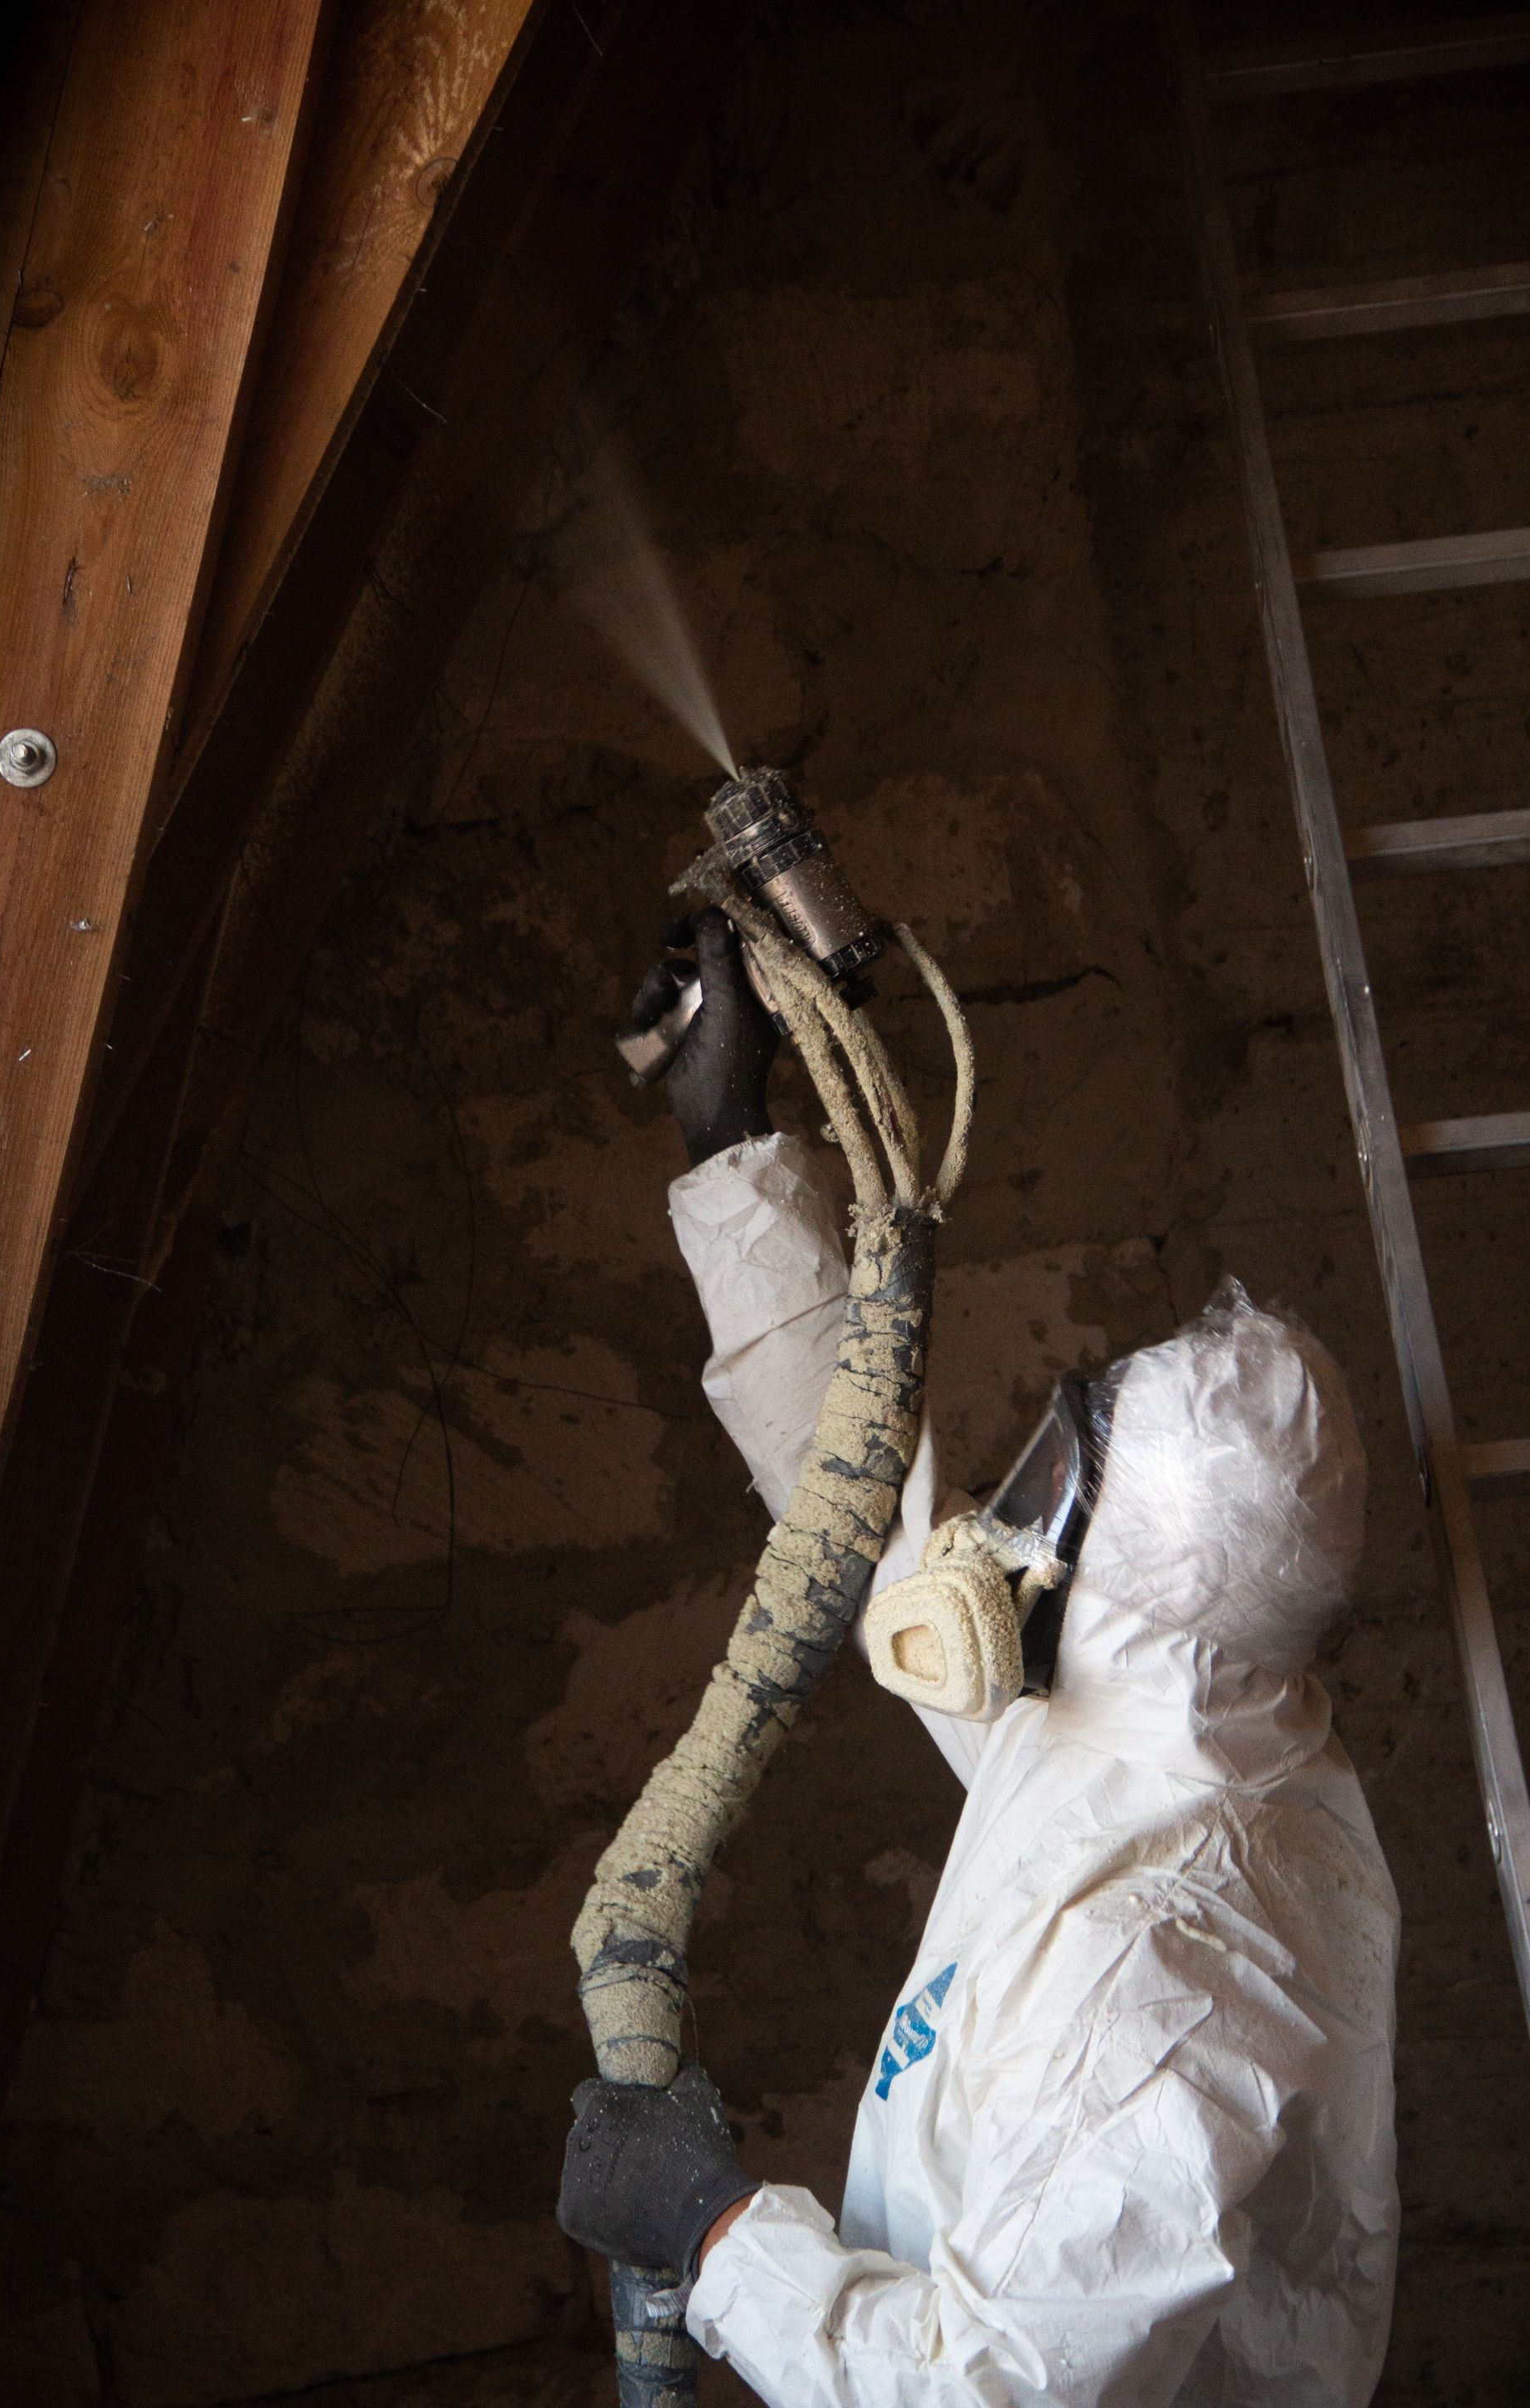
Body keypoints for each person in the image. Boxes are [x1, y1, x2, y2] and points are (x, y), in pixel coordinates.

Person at [560, 912, 1400, 2408]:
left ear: (1120, 1577)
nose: (999, 1530)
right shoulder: (1174, 1726)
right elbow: (868, 1518)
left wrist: (717, 2234)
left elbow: (990, 2394)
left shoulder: (1168, 1980)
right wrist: (729, 1136)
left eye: (1048, 1501)